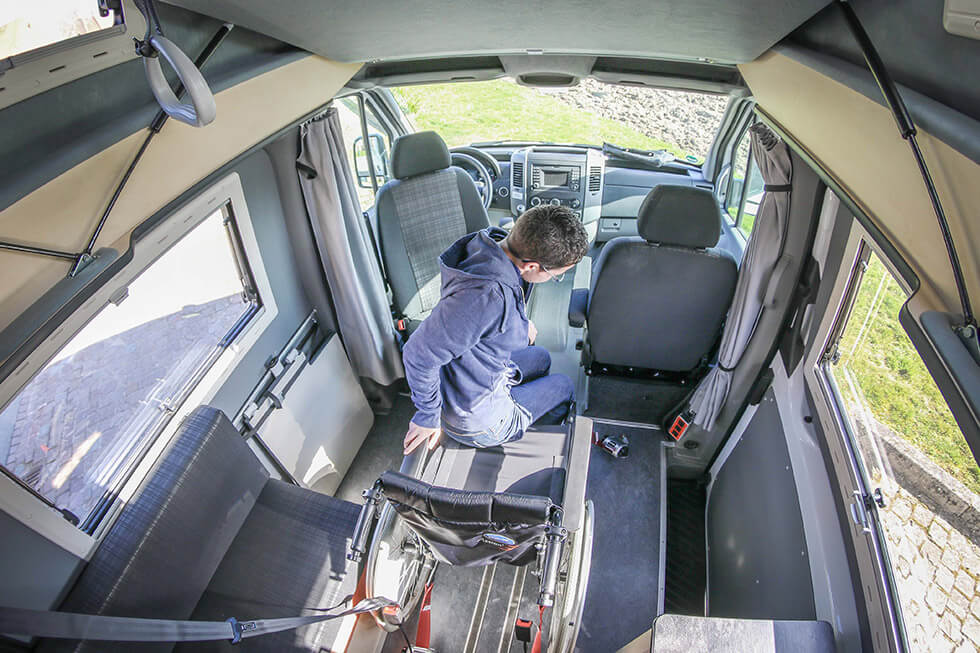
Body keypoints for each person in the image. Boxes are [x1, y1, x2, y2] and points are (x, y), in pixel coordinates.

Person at [402, 205, 589, 454]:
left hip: (475, 371)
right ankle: (536, 441)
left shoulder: (489, 244)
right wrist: (427, 415)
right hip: (474, 417)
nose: (555, 279)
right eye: (556, 275)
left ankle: (523, 404)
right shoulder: (485, 298)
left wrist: (522, 327)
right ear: (532, 267)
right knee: (564, 386)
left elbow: (487, 322)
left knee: (541, 357)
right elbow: (417, 355)